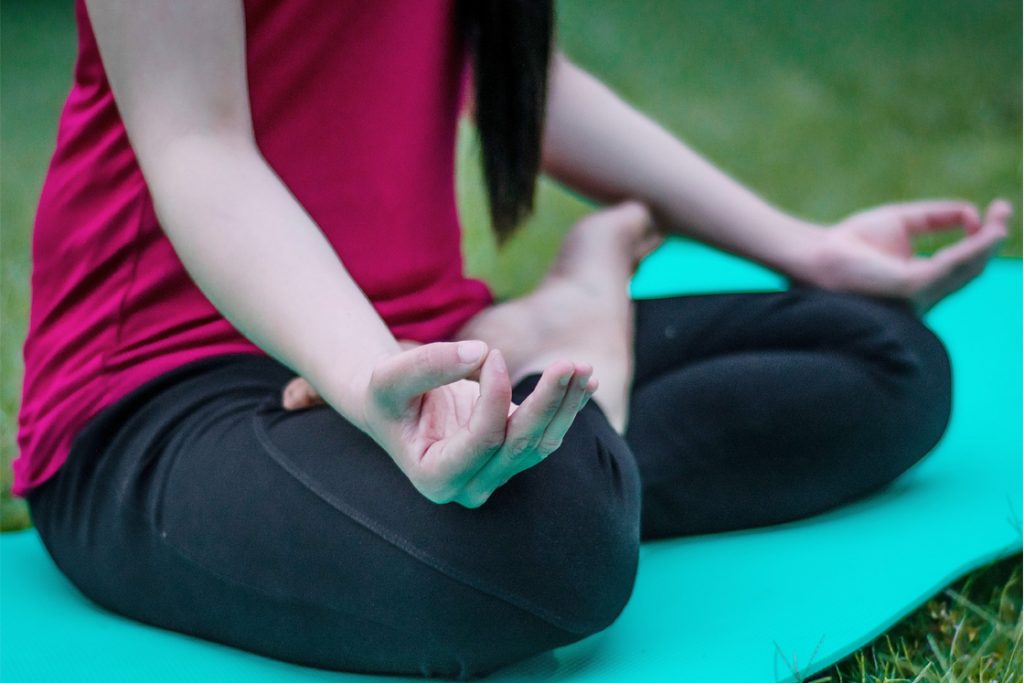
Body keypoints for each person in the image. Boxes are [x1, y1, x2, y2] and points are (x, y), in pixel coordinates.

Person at [15, 0, 1010, 678]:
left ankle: (554, 366)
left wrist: (805, 248)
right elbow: (197, 146)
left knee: (883, 356)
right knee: (551, 542)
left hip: (422, 340)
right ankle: (575, 354)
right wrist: (365, 375)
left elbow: (529, 80)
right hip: (162, 390)